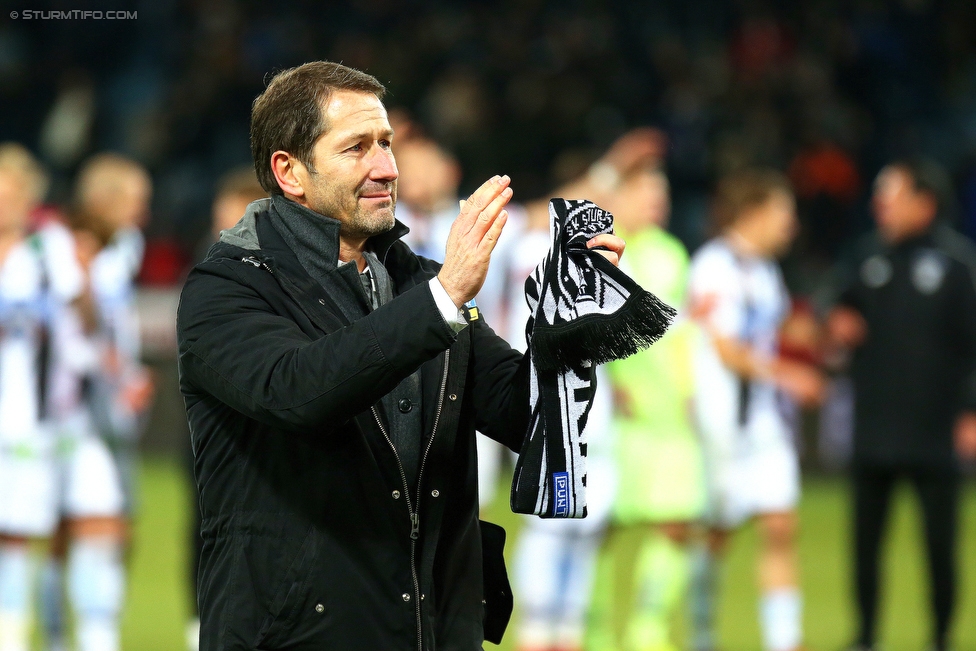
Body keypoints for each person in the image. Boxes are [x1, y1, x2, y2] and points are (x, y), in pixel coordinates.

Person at [176, 61, 625, 650]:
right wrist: (444, 299)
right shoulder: (228, 288)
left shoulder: (418, 283)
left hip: (431, 629)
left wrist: (571, 325)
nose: (387, 167)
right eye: (357, 147)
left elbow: (526, 416)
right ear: (290, 171)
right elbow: (299, 392)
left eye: (386, 144)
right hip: (298, 636)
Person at [826, 159, 976, 651]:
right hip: (874, 428)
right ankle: (865, 636)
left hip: (936, 430)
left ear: (923, 202)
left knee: (940, 545)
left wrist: (971, 413)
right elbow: (836, 319)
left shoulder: (957, 266)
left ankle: (940, 637)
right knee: (865, 545)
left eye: (888, 196)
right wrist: (837, 328)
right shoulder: (866, 261)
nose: (878, 206)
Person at [687, 169, 824, 651]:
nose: (791, 225)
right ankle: (702, 634)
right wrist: (789, 374)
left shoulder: (765, 271)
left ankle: (786, 641)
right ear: (754, 213)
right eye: (783, 213)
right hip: (720, 424)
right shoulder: (712, 266)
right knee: (717, 535)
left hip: (763, 423)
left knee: (781, 524)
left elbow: (771, 331)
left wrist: (811, 336)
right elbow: (725, 348)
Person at [36, 153, 154, 651]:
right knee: (61, 529)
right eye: (134, 200)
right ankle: (63, 633)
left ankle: (97, 625)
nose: (142, 212)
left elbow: (112, 323)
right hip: (63, 409)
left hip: (114, 403)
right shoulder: (56, 246)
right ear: (103, 200)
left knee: (114, 522)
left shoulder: (126, 245)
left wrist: (127, 371)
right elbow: (74, 329)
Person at [586, 165, 705, 651]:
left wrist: (692, 390)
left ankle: (646, 631)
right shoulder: (599, 252)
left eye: (664, 193)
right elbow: (586, 322)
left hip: (669, 410)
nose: (658, 203)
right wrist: (607, 380)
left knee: (676, 523)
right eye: (648, 193)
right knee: (602, 528)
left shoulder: (673, 254)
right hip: (619, 413)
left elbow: (682, 333)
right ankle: (594, 631)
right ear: (620, 196)